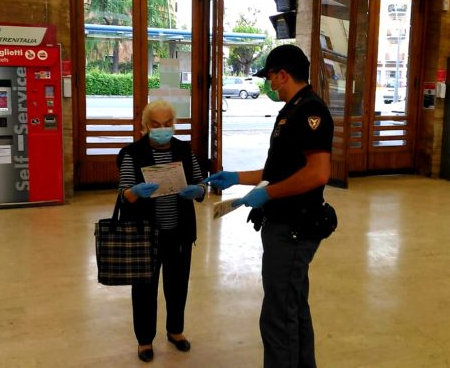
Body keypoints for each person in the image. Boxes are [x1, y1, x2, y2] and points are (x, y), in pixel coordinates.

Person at [205, 44, 334, 368]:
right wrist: (237, 177)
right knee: (293, 306)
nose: (269, 83)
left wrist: (269, 194)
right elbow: (279, 170)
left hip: (294, 227)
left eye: (271, 77)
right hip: (282, 224)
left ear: (283, 75)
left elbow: (318, 173)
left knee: (278, 316)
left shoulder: (310, 110)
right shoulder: (291, 110)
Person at [117, 99, 206, 363]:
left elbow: (201, 184)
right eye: (155, 125)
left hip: (179, 232)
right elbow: (123, 195)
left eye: (167, 124)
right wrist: (135, 192)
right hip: (144, 234)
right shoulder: (132, 153)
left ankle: (175, 330)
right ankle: (145, 340)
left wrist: (197, 190)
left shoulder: (183, 150)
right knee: (144, 289)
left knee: (177, 285)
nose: (162, 129)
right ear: (145, 125)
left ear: (174, 124)